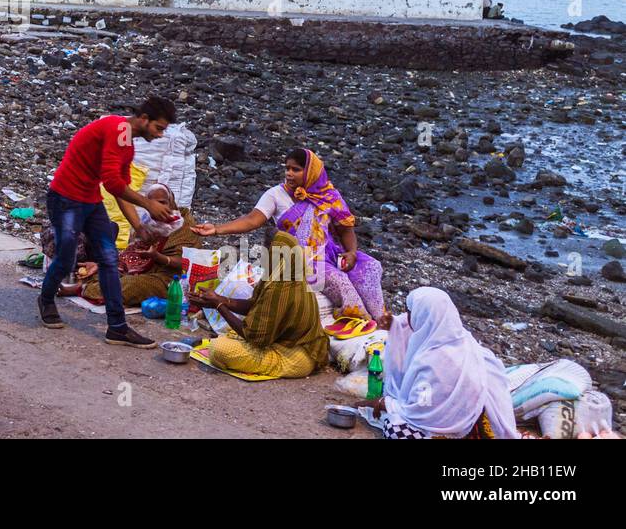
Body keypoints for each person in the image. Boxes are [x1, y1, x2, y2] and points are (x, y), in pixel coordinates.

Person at [37, 96, 179, 347]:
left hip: (90, 201)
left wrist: (139, 226)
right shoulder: (118, 130)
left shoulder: (127, 142)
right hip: (65, 198)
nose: (159, 135)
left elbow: (118, 187)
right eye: (158, 128)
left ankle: (117, 327)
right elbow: (114, 183)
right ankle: (46, 298)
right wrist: (148, 205)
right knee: (67, 255)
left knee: (109, 259)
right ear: (144, 119)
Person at [193, 147, 385, 323]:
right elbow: (252, 220)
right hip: (295, 260)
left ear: (311, 172)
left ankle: (381, 319)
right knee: (339, 282)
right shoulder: (276, 195)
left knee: (371, 268)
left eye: (296, 169)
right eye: (287, 168)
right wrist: (217, 229)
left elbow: (346, 230)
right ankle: (359, 322)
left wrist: (351, 252)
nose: (289, 174)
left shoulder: (328, 196)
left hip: (327, 255)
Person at [357, 287, 520, 439]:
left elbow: (421, 410)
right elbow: (408, 327)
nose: (407, 318)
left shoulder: (432, 361)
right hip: (479, 420)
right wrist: (395, 325)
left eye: (409, 313)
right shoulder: (463, 340)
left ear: (421, 317)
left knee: (393, 427)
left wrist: (382, 403)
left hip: (458, 428)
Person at [189, 231, 329, 379]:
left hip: (295, 357)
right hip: (286, 343)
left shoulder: (281, 287)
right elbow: (254, 304)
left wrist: (219, 306)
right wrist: (219, 299)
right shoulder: (282, 277)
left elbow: (255, 336)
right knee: (229, 332)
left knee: (219, 350)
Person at [55, 183, 201, 306]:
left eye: (163, 202)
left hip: (169, 279)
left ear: (172, 202)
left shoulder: (184, 224)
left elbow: (187, 263)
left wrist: (158, 257)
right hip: (139, 270)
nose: (159, 208)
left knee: (133, 285)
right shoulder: (146, 224)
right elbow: (129, 256)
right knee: (101, 270)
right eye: (153, 204)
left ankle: (82, 289)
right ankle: (88, 285)